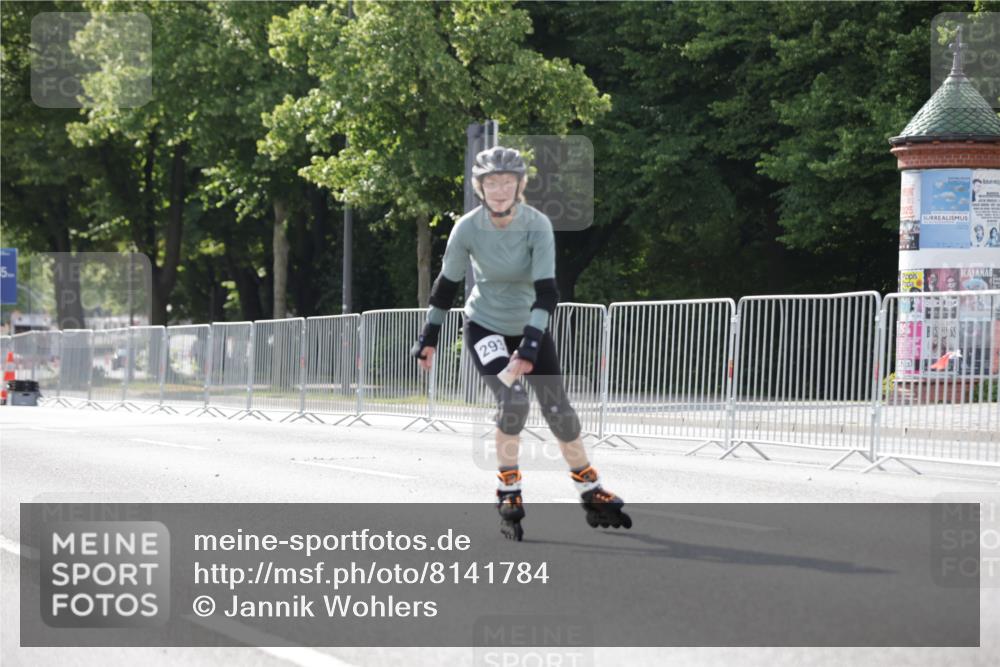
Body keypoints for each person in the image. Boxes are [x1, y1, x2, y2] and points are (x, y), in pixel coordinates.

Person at [410, 146, 631, 540]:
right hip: (485, 327)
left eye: (506, 182)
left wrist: (530, 345)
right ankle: (508, 490)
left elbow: (547, 293)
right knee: (513, 403)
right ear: (479, 188)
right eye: (490, 183)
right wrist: (429, 335)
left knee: (559, 409)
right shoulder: (466, 228)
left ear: (520, 185)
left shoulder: (537, 224)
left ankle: (590, 489)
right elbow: (446, 287)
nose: (498, 190)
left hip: (531, 325)